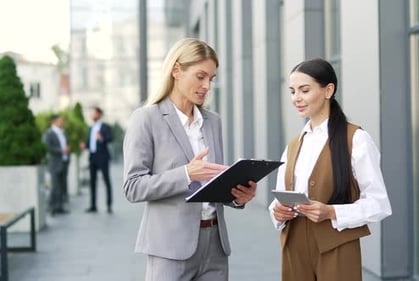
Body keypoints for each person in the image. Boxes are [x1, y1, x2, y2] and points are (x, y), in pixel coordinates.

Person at [122, 38, 257, 281]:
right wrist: (186, 174)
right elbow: (133, 187)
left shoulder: (212, 121)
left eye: (211, 79)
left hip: (215, 247)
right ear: (176, 70)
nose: (206, 85)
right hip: (169, 249)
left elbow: (212, 184)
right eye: (200, 76)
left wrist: (237, 196)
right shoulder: (146, 119)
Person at [268, 58, 392, 281]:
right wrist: (277, 211)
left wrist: (331, 212)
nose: (296, 98)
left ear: (328, 90)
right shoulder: (294, 145)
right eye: (292, 91)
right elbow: (279, 197)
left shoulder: (356, 139)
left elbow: (379, 204)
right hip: (294, 248)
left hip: (337, 247)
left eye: (304, 90)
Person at [81, 106, 113, 213]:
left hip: (103, 157)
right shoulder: (91, 128)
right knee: (92, 182)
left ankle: (109, 205)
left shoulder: (105, 127)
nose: (92, 115)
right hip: (92, 157)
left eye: (94, 113)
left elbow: (110, 138)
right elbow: (90, 143)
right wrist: (84, 145)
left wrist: (102, 138)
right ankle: (93, 205)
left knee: (106, 180)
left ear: (99, 114)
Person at [43, 114, 70, 215]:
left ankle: (60, 207)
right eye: (60, 120)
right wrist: (61, 150)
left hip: (64, 162)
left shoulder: (63, 132)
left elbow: (67, 144)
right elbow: (48, 148)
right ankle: (52, 207)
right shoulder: (49, 133)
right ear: (54, 122)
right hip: (54, 163)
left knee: (62, 186)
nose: (62, 122)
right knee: (55, 186)